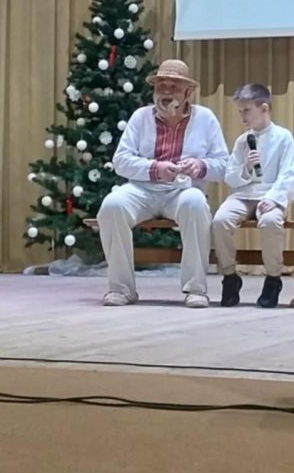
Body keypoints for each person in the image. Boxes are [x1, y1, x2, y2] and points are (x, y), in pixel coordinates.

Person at [96, 59, 229, 308]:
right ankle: (121, 289)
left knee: (195, 204)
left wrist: (200, 166)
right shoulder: (140, 117)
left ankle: (196, 289)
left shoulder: (205, 118)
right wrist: (155, 168)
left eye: (174, 87)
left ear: (188, 93)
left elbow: (223, 165)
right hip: (142, 188)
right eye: (161, 86)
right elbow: (120, 161)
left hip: (184, 189)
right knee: (112, 205)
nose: (166, 92)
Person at [212, 83, 294, 309]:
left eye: (247, 110)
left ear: (264, 108)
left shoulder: (283, 137)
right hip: (244, 194)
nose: (242, 116)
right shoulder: (243, 141)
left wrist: (273, 199)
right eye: (240, 111)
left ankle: (273, 278)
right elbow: (230, 176)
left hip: (271, 195)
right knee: (220, 220)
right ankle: (230, 276)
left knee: (271, 221)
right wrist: (246, 168)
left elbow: (289, 173)